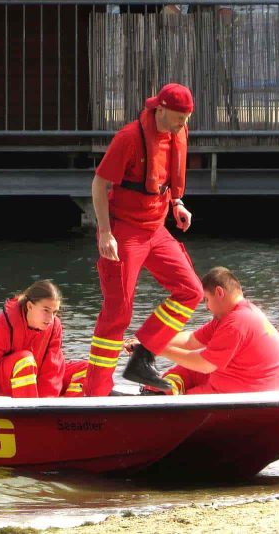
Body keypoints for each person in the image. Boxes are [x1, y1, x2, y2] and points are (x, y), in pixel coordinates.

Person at [84, 83, 204, 396]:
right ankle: (95, 391)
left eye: (187, 118)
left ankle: (143, 355)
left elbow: (168, 181)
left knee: (191, 290)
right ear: (160, 109)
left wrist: (178, 203)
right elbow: (99, 185)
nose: (184, 123)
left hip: (156, 227)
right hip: (123, 229)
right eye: (180, 117)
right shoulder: (129, 137)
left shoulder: (179, 133)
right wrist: (106, 232)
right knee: (117, 312)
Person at [136, 266, 279, 395]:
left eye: (207, 300)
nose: (207, 307)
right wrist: (151, 342)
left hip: (251, 391)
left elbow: (205, 364)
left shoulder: (237, 321)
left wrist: (157, 349)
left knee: (190, 378)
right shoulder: (233, 314)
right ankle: (159, 391)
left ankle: (159, 398)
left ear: (219, 292)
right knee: (186, 369)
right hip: (248, 381)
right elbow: (191, 340)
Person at [0, 280, 87, 398]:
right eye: (46, 310)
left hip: (34, 379)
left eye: (54, 312)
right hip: (1, 385)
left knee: (89, 369)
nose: (50, 318)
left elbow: (52, 369)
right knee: (25, 360)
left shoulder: (55, 326)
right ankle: (30, 412)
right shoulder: (3, 324)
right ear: (29, 306)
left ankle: (63, 414)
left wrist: (48, 405)